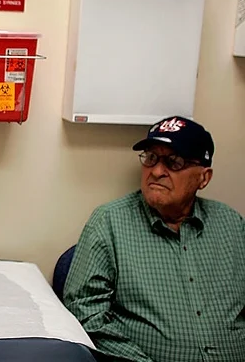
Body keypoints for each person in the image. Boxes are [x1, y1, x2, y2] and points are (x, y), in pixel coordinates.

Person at [63, 116, 245, 362]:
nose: (157, 171)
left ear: (204, 178)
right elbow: (85, 312)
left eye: (174, 162)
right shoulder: (110, 222)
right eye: (151, 158)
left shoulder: (231, 224)